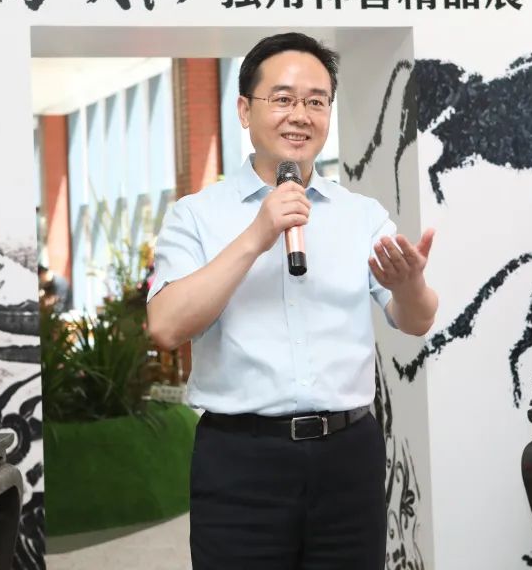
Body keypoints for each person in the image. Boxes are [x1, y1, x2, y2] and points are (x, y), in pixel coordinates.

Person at [147, 32, 438, 569]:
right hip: (240, 460)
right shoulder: (196, 215)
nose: (300, 115)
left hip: (348, 457)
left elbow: (416, 320)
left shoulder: (360, 215)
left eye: (316, 101)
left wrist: (409, 286)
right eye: (282, 99)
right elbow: (165, 326)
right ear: (244, 110)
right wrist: (257, 234)